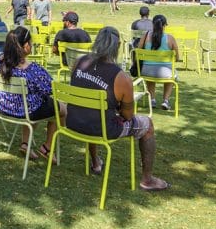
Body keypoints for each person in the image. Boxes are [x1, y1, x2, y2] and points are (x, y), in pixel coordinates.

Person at [66, 26, 170, 190]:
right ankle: (147, 179)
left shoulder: (79, 62)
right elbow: (128, 116)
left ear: (97, 41)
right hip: (101, 128)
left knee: (94, 113)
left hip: (73, 122)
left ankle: (95, 163)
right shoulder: (121, 77)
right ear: (118, 46)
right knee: (147, 125)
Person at [0, 26, 60, 162]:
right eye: (31, 43)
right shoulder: (32, 70)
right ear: (26, 46)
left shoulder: (1, 63)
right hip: (24, 110)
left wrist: (6, 54)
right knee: (59, 109)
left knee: (34, 103)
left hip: (2, 107)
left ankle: (25, 144)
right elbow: (51, 89)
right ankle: (47, 147)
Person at [140, 14, 180, 111]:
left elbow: (138, 50)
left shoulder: (145, 36)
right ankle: (165, 101)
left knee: (151, 74)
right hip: (165, 72)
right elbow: (177, 58)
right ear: (165, 25)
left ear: (153, 24)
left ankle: (152, 100)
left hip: (146, 71)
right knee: (171, 75)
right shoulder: (170, 38)